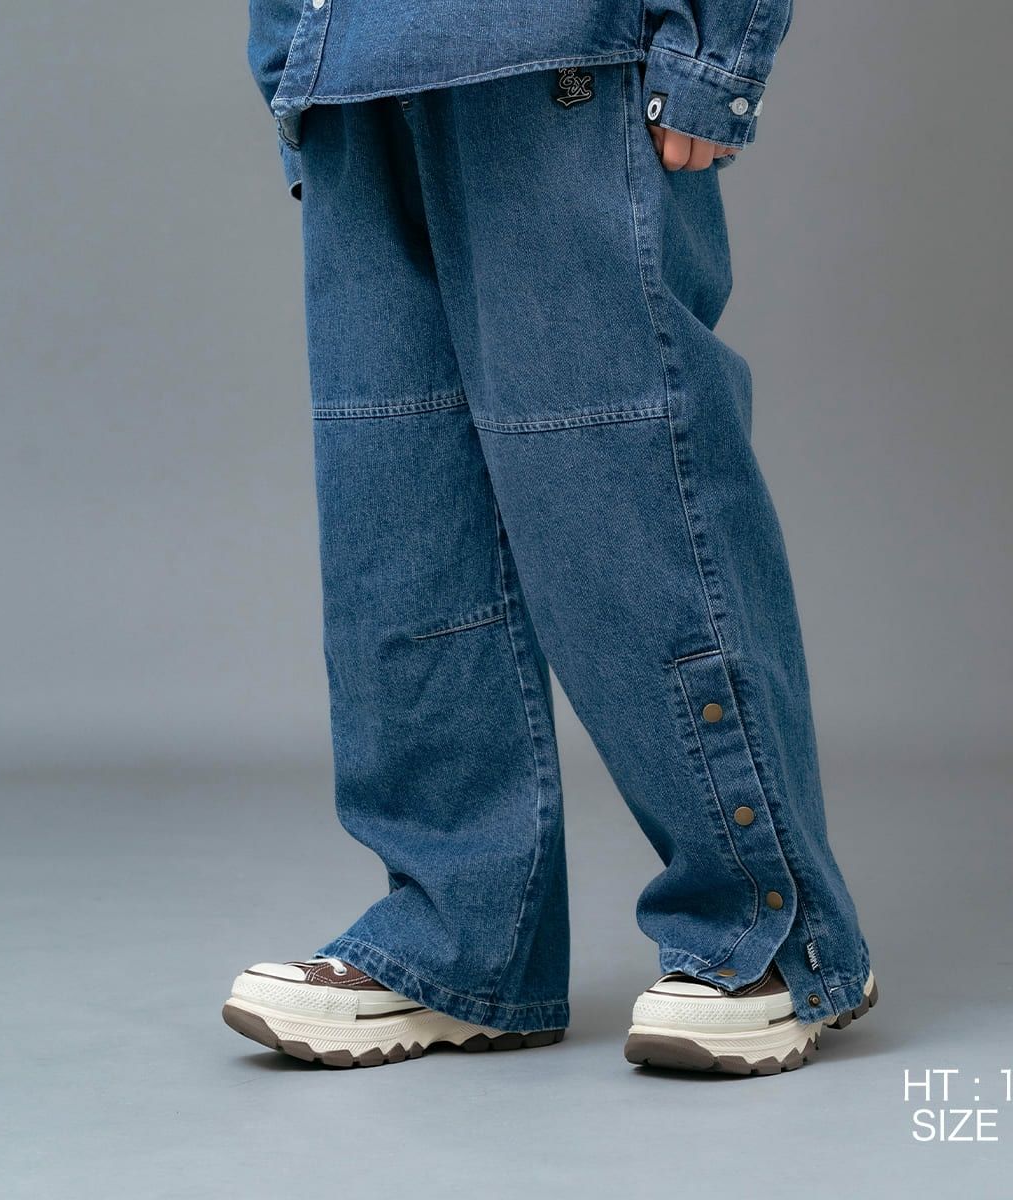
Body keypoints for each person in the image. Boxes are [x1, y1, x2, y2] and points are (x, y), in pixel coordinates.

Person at [222, 0, 876, 1075]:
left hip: (560, 48)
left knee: (629, 498)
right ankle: (459, 948)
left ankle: (773, 934)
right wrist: (295, 61)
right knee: (402, 534)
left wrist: (719, 55)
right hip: (353, 66)